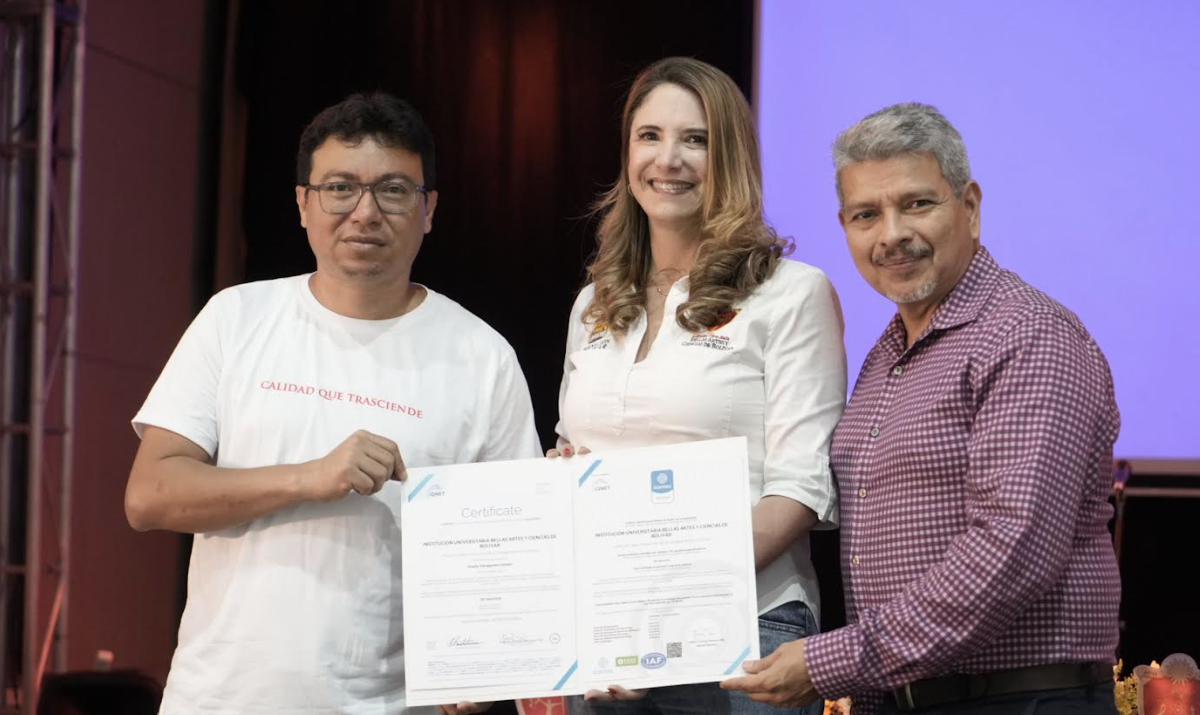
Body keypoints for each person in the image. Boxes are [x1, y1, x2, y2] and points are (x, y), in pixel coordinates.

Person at [125, 92, 540, 715]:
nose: (365, 213)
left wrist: (481, 668)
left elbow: (518, 549)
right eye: (340, 187)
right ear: (303, 203)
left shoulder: (483, 357)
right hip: (219, 699)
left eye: (395, 190)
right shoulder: (236, 318)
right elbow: (150, 495)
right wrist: (311, 477)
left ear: (429, 210)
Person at [722, 103, 1121, 714]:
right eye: (866, 215)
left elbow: (1010, 552)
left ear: (971, 206)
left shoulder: (1028, 335)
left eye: (917, 204)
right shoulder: (887, 355)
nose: (891, 235)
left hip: (1018, 699)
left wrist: (833, 662)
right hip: (905, 697)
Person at [553, 56, 847, 715]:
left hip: (747, 633)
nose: (669, 159)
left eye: (696, 139)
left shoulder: (792, 294)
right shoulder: (593, 303)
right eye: (649, 136)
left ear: (731, 156)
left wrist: (655, 603)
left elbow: (798, 490)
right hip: (606, 639)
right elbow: (573, 456)